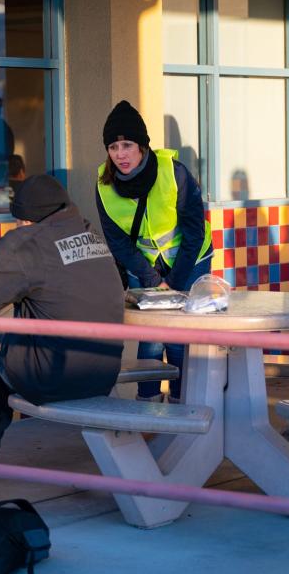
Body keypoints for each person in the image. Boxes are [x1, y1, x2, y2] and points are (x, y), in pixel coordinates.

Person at [0, 174, 125, 501]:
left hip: (51, 378)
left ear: (26, 218)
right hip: (102, 373)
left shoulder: (24, 243)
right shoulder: (91, 234)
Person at [95, 100, 213, 403]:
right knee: (150, 338)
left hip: (190, 259)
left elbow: (194, 230)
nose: (120, 154)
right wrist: (151, 278)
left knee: (179, 336)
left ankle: (180, 401)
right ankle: (146, 403)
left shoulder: (175, 173)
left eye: (127, 145)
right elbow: (117, 242)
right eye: (113, 147)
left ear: (142, 146)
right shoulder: (104, 184)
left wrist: (173, 283)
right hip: (144, 263)